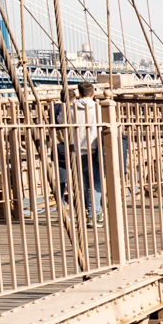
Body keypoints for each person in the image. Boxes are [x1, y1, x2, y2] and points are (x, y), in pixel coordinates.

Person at [68, 82, 106, 223]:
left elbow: (60, 119)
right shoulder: (98, 108)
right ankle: (94, 214)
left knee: (84, 183)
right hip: (95, 149)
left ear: (78, 93)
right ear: (93, 94)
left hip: (77, 149)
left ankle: (91, 212)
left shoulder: (71, 108)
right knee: (95, 182)